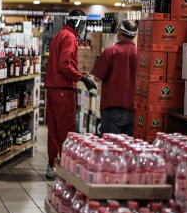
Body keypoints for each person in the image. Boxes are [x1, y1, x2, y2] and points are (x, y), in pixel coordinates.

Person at [44, 9, 97, 179]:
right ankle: (67, 166)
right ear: (77, 22)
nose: (83, 27)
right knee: (66, 129)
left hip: (52, 88)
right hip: (63, 89)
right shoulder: (70, 37)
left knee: (53, 128)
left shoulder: (59, 35)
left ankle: (51, 165)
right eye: (82, 24)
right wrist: (82, 78)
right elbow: (65, 66)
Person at [91, 19, 138, 135]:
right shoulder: (141, 54)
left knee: (111, 148)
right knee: (128, 149)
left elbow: (96, 77)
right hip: (134, 110)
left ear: (120, 33)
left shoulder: (110, 52)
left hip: (112, 109)